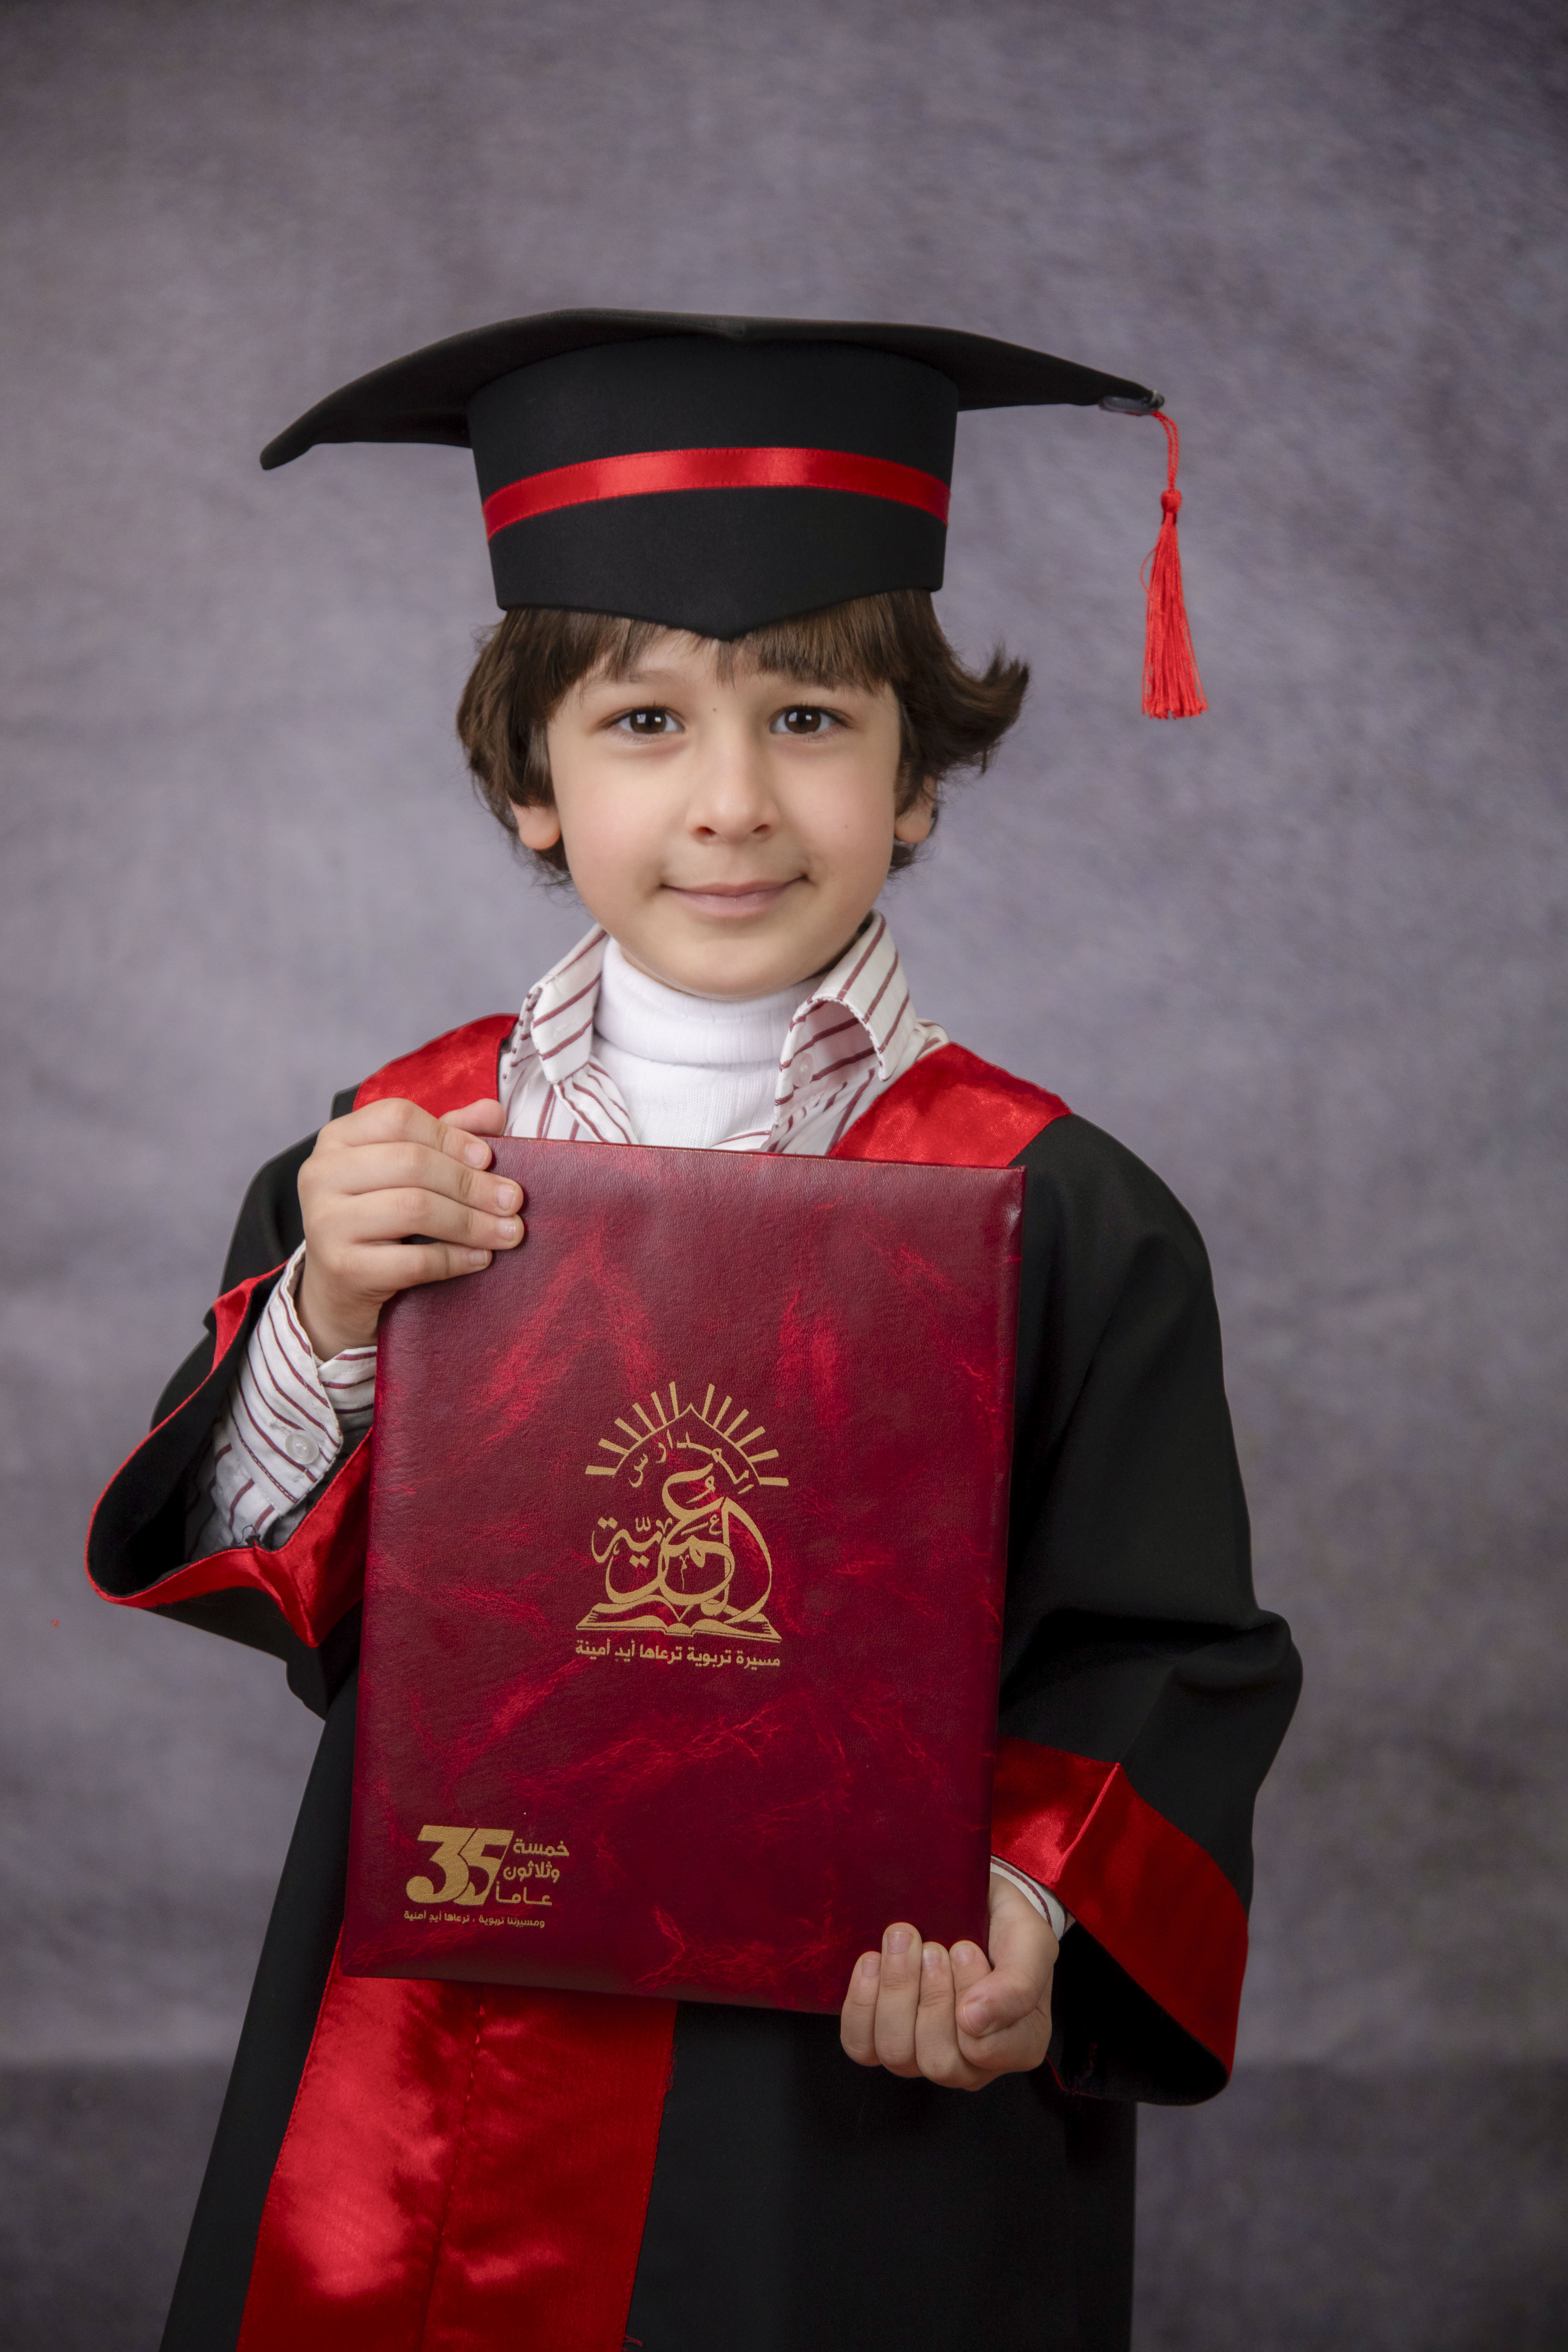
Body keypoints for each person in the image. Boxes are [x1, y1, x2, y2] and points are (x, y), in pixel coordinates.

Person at [88, 309, 1301, 2352]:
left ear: (919, 783)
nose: (733, 801)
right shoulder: (400, 1158)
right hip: (438, 2052)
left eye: (811, 716)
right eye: (644, 721)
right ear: (531, 784)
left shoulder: (1059, 1210)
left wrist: (1029, 1913)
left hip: (846, 2078)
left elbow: (1164, 1654)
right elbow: (299, 1602)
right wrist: (326, 1313)